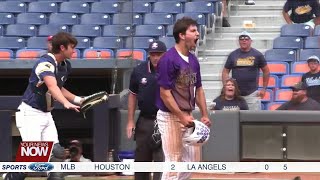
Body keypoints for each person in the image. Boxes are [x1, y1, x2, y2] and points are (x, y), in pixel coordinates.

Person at [6, 32, 83, 180]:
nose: (74, 51)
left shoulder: (65, 65)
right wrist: (66, 103)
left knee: (57, 153)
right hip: (31, 114)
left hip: (46, 114)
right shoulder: (45, 63)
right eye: (71, 47)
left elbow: (59, 87)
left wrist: (78, 100)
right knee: (29, 161)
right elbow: (52, 87)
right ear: (62, 47)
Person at [156, 17, 211, 180]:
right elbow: (164, 94)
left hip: (187, 115)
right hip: (170, 116)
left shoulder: (193, 59)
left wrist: (205, 114)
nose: (198, 34)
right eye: (193, 31)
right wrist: (181, 116)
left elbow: (198, 88)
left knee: (193, 161)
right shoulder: (168, 59)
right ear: (181, 35)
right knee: (173, 162)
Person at [126, 40, 167, 180]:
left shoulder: (171, 70)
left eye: (159, 54)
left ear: (165, 55)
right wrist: (130, 121)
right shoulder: (139, 70)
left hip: (165, 120)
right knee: (141, 161)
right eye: (153, 54)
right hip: (145, 120)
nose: (155, 57)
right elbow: (132, 95)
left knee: (161, 163)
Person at [222, 31, 270, 110]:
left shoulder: (257, 55)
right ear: (238, 41)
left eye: (246, 39)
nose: (244, 40)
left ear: (251, 41)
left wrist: (264, 89)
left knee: (253, 119)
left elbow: (266, 71)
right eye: (241, 39)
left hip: (252, 94)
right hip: (236, 95)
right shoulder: (233, 55)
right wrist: (226, 87)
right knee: (235, 118)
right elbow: (225, 71)